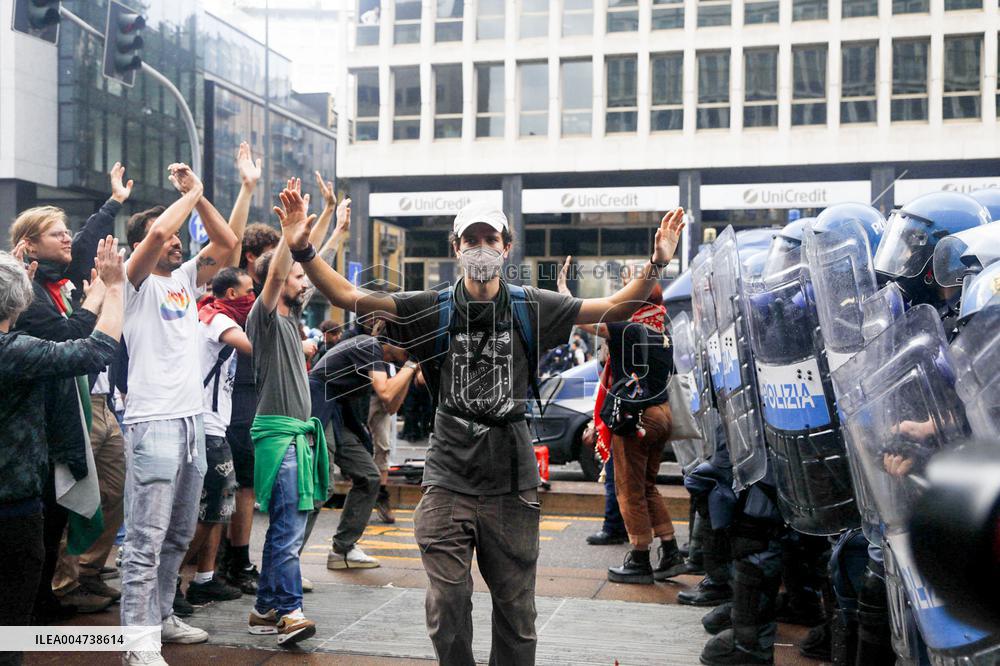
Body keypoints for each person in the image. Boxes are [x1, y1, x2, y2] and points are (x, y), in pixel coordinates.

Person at [275, 186, 685, 664]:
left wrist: (656, 265)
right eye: (471, 239)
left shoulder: (533, 304)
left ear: (507, 247)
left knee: (516, 611)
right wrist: (301, 247)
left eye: (490, 237)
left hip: (511, 482)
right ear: (456, 248)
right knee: (447, 604)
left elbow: (614, 307)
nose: (481, 247)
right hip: (448, 477)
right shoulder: (428, 305)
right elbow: (348, 295)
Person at [119, 162, 238, 665]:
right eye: (164, 241)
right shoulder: (134, 281)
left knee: (178, 534)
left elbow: (227, 243)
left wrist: (200, 195)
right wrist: (187, 197)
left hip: (191, 423)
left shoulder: (185, 280)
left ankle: (163, 616)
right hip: (153, 423)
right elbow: (166, 228)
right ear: (143, 244)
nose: (176, 244)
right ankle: (135, 643)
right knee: (145, 539)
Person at [12, 163, 133, 620]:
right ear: (28, 246)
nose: (67, 239)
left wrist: (113, 203)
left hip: (69, 416)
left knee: (70, 507)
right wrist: (101, 296)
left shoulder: (51, 279)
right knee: (42, 519)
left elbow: (84, 248)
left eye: (66, 232)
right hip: (36, 427)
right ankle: (35, 608)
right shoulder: (25, 292)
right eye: (55, 233)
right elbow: (71, 341)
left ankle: (54, 591)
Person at [0, 239, 125, 664]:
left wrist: (18, 291)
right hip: (12, 508)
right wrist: (115, 287)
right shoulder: (14, 352)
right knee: (11, 623)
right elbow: (95, 350)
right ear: (17, 304)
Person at [561, 261, 687, 584]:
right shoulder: (663, 333)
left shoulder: (627, 328)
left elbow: (584, 320)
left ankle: (640, 558)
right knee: (648, 487)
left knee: (629, 490)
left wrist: (563, 291)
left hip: (635, 419)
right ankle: (670, 551)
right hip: (662, 417)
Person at [245, 179, 328, 647]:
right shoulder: (266, 317)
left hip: (296, 437)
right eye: (299, 278)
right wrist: (288, 231)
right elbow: (276, 277)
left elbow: (306, 270)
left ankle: (264, 607)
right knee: (288, 532)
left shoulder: (293, 320)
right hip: (280, 439)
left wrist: (316, 231)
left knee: (286, 528)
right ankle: (290, 611)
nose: (304, 283)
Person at [306, 317, 417, 567]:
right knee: (318, 488)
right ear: (395, 339)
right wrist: (411, 365)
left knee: (369, 476)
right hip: (320, 410)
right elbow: (386, 392)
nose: (412, 349)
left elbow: (391, 406)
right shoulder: (368, 345)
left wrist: (407, 371)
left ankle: (342, 549)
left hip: (339, 416)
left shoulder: (383, 361)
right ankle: (286, 567)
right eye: (410, 344)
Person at [183, 267, 256, 606]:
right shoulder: (215, 317)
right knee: (210, 506)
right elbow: (250, 347)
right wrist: (294, 344)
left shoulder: (221, 315)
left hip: (216, 425)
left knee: (218, 507)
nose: (253, 298)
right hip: (205, 426)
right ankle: (168, 582)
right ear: (231, 294)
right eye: (249, 291)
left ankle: (205, 579)